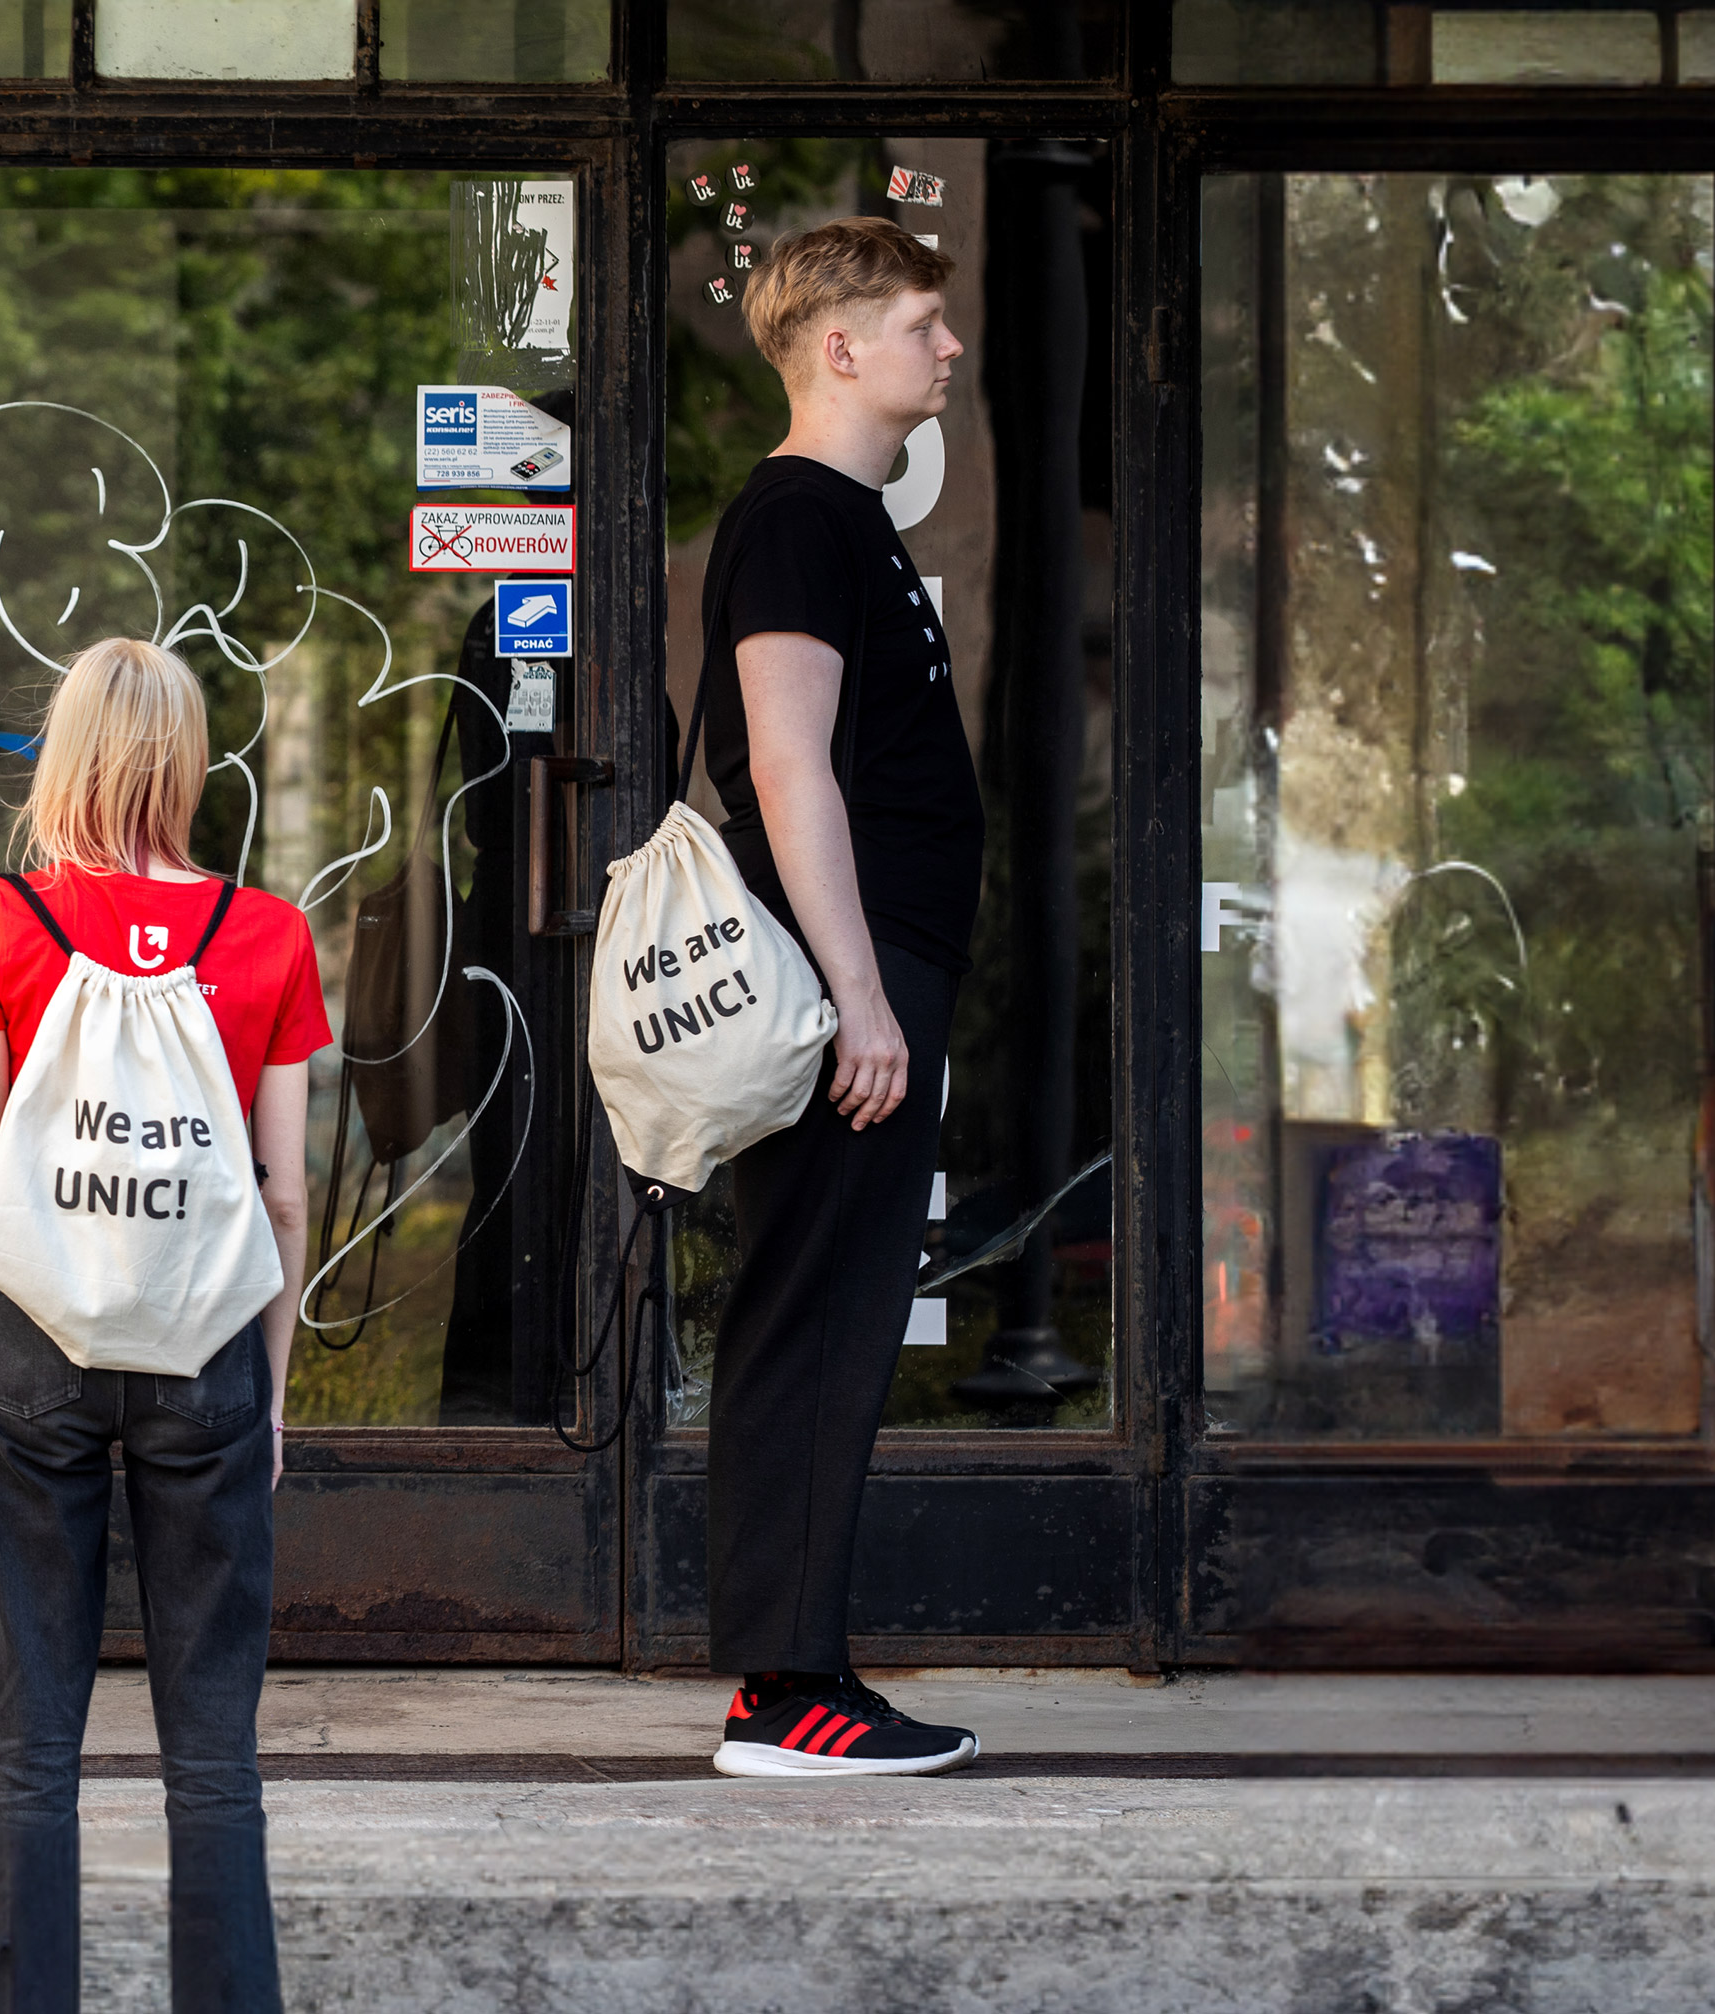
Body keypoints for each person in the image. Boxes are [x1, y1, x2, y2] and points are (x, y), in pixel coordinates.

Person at [0, 636, 329, 2013]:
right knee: (214, 1752)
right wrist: (268, 1397)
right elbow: (284, 1192)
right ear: (185, 760)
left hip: (33, 1352)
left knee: (29, 1746)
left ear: (64, 755)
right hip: (201, 1355)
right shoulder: (268, 932)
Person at [692, 216, 986, 1778]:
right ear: (842, 345)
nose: (949, 348)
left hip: (866, 975)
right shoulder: (799, 517)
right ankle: (783, 1695)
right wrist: (861, 996)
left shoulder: (843, 519)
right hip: (839, 988)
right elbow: (788, 763)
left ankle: (802, 1675)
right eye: (924, 322)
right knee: (814, 1314)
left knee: (840, 1314)